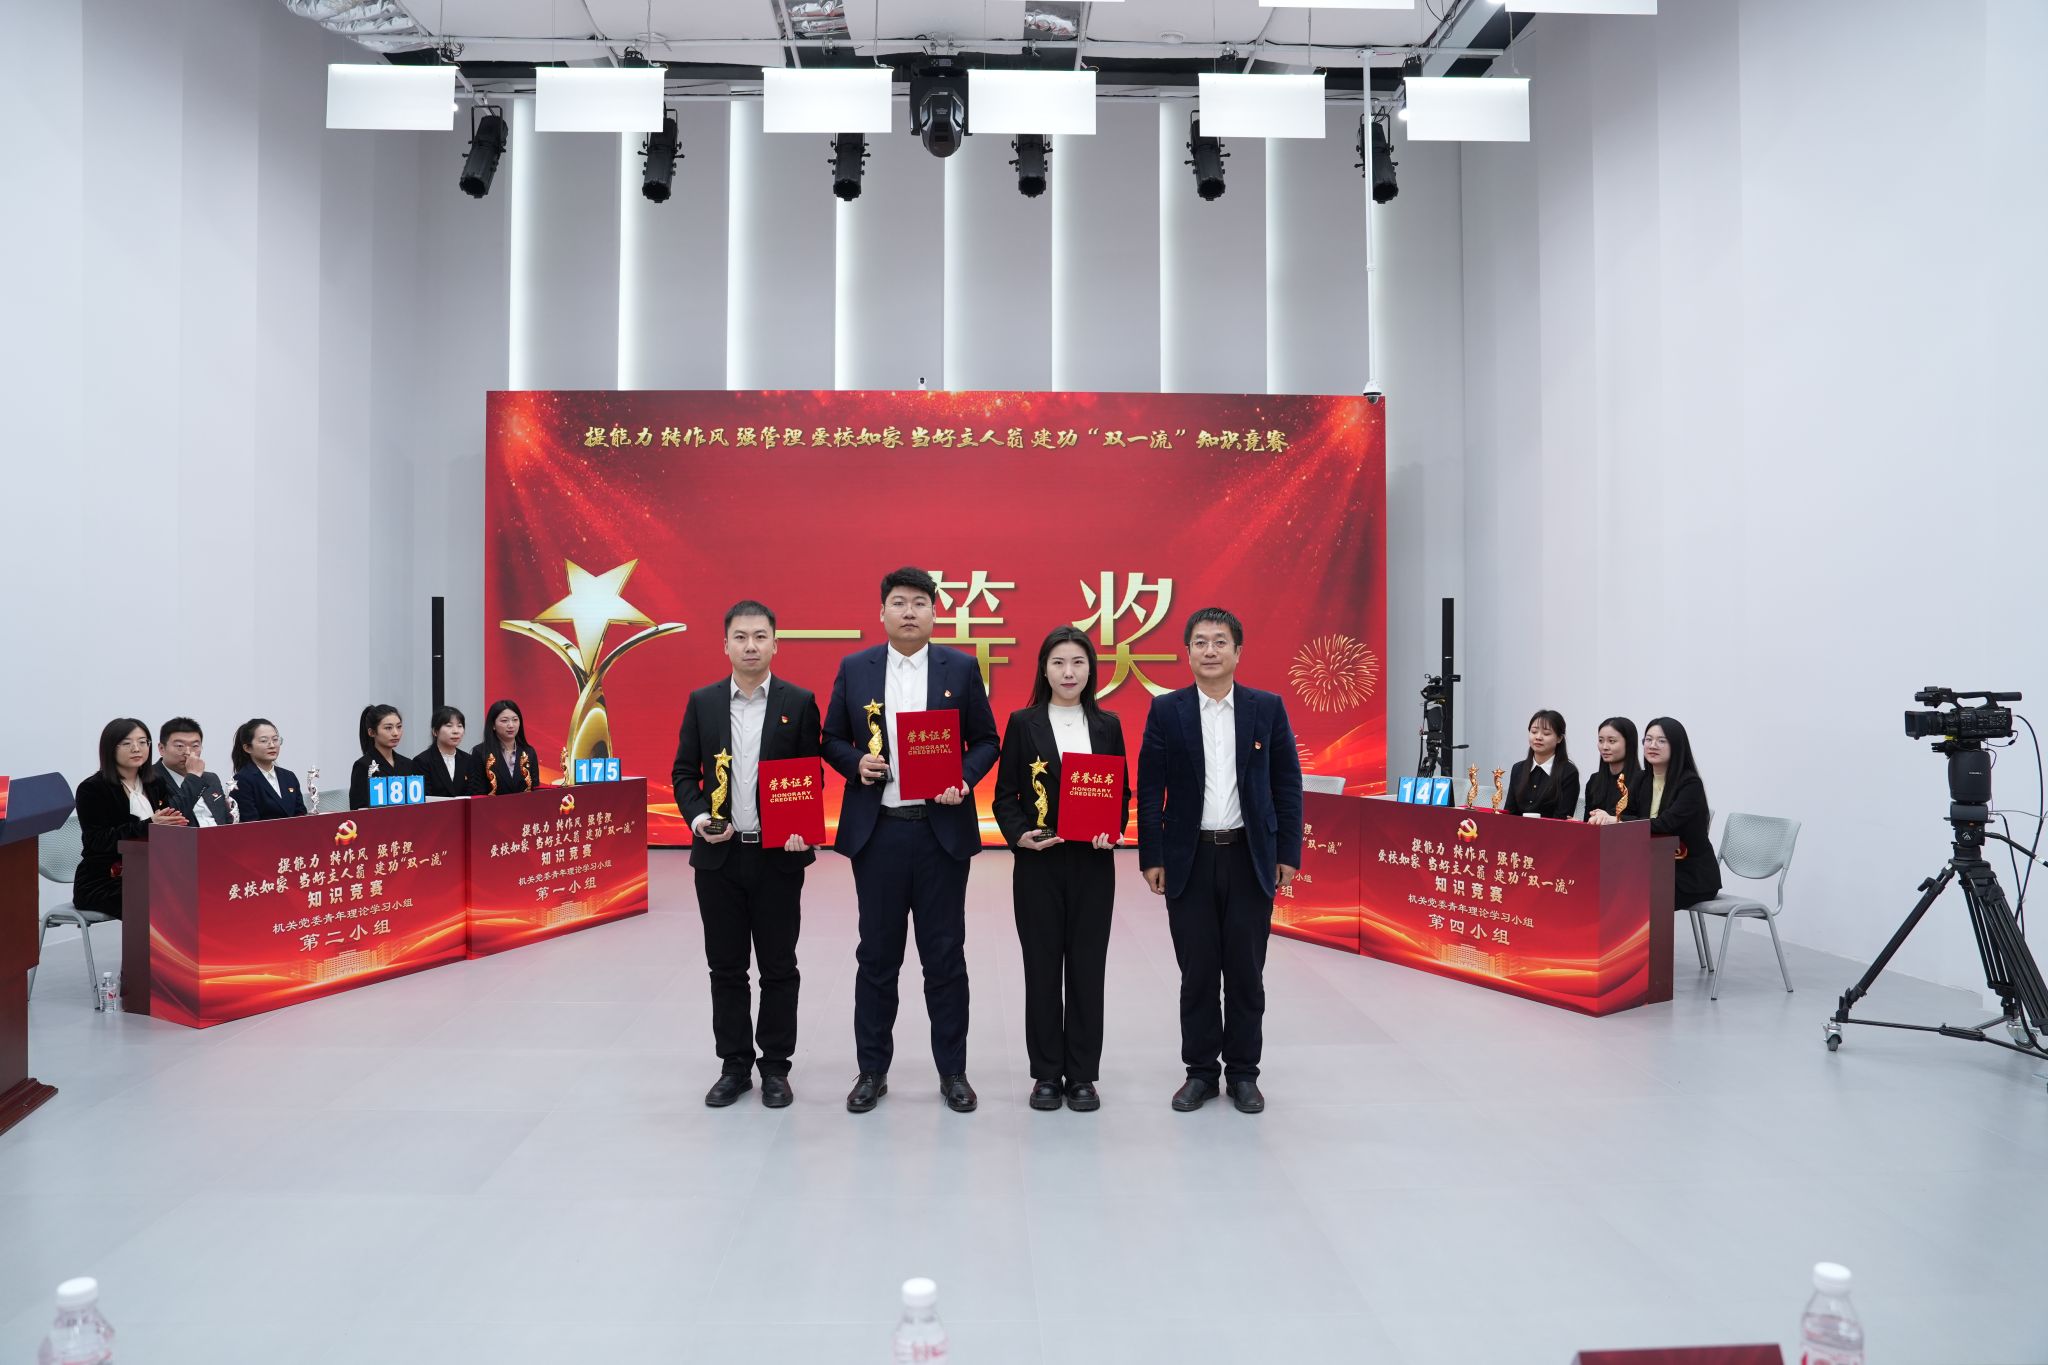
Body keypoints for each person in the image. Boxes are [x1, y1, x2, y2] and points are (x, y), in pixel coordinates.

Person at [822, 566, 1001, 1115]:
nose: (908, 612)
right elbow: (831, 738)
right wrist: (856, 763)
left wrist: (962, 779)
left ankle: (953, 1072)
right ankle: (871, 1071)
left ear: (934, 613)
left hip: (939, 835)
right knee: (877, 957)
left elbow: (987, 740)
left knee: (944, 957)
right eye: (898, 602)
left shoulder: (960, 668)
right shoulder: (855, 668)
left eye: (919, 603)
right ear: (882, 612)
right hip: (878, 833)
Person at [1138, 608, 1304, 1115]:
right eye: (1201, 642)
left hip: (1250, 857)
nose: (1210, 650)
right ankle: (1201, 1073)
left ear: (1237, 651)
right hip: (1188, 859)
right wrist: (1152, 855)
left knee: (1246, 972)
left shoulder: (1266, 708)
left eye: (1220, 641)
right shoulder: (1167, 710)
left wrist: (1288, 852)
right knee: (1198, 973)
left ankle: (1244, 1074)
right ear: (1187, 651)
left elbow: (1287, 785)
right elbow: (1150, 789)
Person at [671, 600, 823, 1110]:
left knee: (779, 966)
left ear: (776, 643)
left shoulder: (799, 702)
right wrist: (699, 819)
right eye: (741, 637)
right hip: (718, 858)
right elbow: (683, 773)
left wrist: (803, 828)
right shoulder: (703, 702)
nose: (751, 646)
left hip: (778, 858)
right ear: (726, 645)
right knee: (726, 967)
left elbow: (810, 776)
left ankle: (776, 1067)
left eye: (760, 636)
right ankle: (734, 1065)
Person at [992, 626, 1129, 1113]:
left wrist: (1111, 829)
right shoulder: (1022, 722)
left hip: (1093, 863)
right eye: (1058, 663)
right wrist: (1019, 835)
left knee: (1088, 969)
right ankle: (1047, 1074)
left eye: (1078, 662)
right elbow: (1005, 796)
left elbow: (1120, 795)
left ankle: (1083, 1075)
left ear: (1091, 669)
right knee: (1042, 968)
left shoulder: (1108, 725)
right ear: (1044, 670)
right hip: (1039, 864)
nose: (1068, 672)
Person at [75, 719, 185, 914]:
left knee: (193, 886)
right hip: (104, 879)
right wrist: (150, 824)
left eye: (143, 742)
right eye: (127, 743)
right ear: (110, 748)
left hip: (150, 871)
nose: (136, 748)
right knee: (160, 896)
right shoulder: (92, 788)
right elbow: (97, 840)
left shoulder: (155, 783)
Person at [1643, 716, 1722, 908]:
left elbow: (1665, 825)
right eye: (1648, 739)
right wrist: (1612, 818)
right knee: (1612, 884)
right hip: (1656, 868)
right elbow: (1631, 815)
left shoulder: (1690, 784)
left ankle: (1652, 931)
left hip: (1690, 875)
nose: (1653, 745)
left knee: (1639, 893)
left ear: (1677, 746)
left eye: (1661, 741)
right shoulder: (1642, 780)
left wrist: (1619, 822)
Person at [153, 717, 233, 827]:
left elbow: (227, 820)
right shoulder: (151, 779)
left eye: (195, 746)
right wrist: (194, 777)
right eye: (180, 746)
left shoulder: (211, 778)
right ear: (161, 748)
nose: (188, 752)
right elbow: (169, 819)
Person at [1506, 709, 1581, 819]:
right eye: (1534, 732)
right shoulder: (1518, 768)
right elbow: (1509, 812)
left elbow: (1562, 818)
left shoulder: (1569, 772)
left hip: (1553, 830)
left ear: (1559, 738)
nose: (1538, 737)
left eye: (1546, 733)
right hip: (1517, 829)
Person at [231, 718, 309, 821]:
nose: (272, 745)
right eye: (264, 741)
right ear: (247, 748)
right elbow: (250, 823)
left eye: (275, 739)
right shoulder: (242, 780)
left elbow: (301, 813)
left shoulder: (289, 776)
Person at [347, 704, 415, 810]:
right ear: (372, 732)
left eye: (399, 727)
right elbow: (357, 809)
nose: (396, 733)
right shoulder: (363, 765)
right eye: (388, 728)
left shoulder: (407, 763)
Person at [1584, 717, 1648, 824]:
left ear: (1629, 743)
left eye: (1611, 741)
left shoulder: (1643, 779)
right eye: (1601, 740)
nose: (1604, 747)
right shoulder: (1594, 779)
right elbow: (1587, 821)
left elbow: (1646, 822)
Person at [415, 705, 486, 798]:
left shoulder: (469, 760)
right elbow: (425, 797)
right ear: (435, 731)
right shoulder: (422, 761)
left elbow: (474, 793)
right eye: (449, 726)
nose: (456, 731)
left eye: (460, 726)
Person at [475, 699, 540, 795]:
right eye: (504, 721)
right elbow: (477, 793)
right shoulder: (480, 752)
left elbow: (535, 789)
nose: (511, 725)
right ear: (493, 725)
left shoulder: (529, 752)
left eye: (515, 720)